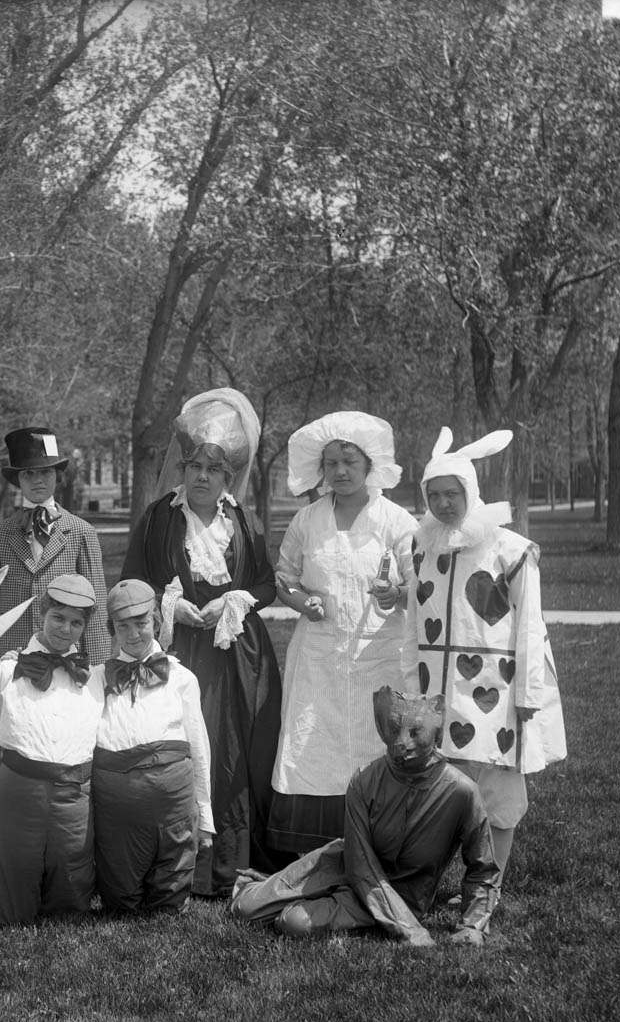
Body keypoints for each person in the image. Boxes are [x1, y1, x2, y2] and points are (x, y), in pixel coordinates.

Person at [120, 387, 282, 895]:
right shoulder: (158, 518)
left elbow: (267, 584)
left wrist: (234, 598)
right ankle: (176, 861)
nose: (202, 478)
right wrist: (170, 605)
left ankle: (228, 864)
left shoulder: (245, 522)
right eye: (195, 467)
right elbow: (131, 581)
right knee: (183, 746)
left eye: (214, 470)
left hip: (235, 656)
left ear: (228, 477)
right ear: (183, 468)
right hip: (178, 652)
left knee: (231, 751)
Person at [411, 426, 566, 911]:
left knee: (497, 792)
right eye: (434, 494)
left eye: (452, 493)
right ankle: (447, 880)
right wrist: (413, 686)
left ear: (471, 491)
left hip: (495, 691)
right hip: (440, 691)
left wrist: (528, 694)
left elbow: (531, 626)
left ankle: (488, 888)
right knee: (444, 788)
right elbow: (415, 622)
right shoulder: (423, 549)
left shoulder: (510, 550)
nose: (443, 503)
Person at [231, 688, 498, 947]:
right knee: (245, 907)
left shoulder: (461, 792)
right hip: (343, 864)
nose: (402, 742)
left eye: (416, 732)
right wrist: (410, 930)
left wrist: (472, 926)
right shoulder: (364, 780)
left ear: (437, 731)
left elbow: (483, 868)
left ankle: (304, 899)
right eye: (394, 729)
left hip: (401, 893)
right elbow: (359, 863)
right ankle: (272, 888)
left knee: (294, 922)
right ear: (382, 727)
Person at [268, 410, 418, 866]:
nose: (340, 471)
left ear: (370, 464)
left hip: (380, 655)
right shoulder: (308, 520)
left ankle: (385, 850)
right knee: (315, 746)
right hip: (320, 659)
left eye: (350, 462)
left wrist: (396, 593)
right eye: (331, 463)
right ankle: (317, 854)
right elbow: (284, 578)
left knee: (379, 744)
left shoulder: (396, 521)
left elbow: (422, 585)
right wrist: (302, 603)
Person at [0, 574, 106, 925]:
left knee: (69, 909)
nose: (65, 629)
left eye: (76, 622)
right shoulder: (6, 673)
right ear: (41, 615)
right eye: (57, 618)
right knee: (8, 914)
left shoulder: (94, 678)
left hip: (73, 795)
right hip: (17, 792)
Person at [91, 580, 213, 914]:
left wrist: (205, 817)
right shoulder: (96, 677)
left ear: (156, 622)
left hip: (172, 798)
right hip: (117, 803)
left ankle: (170, 893)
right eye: (122, 626)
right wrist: (13, 662)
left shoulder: (182, 678)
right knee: (120, 901)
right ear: (112, 629)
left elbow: (199, 747)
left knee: (169, 898)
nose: (133, 634)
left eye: (141, 623)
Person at [0, 426, 111, 660]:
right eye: (28, 473)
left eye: (45, 472)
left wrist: (97, 668)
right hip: (12, 659)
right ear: (17, 479)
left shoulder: (81, 532)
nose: (37, 480)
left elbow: (96, 609)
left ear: (57, 475)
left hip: (66, 658)